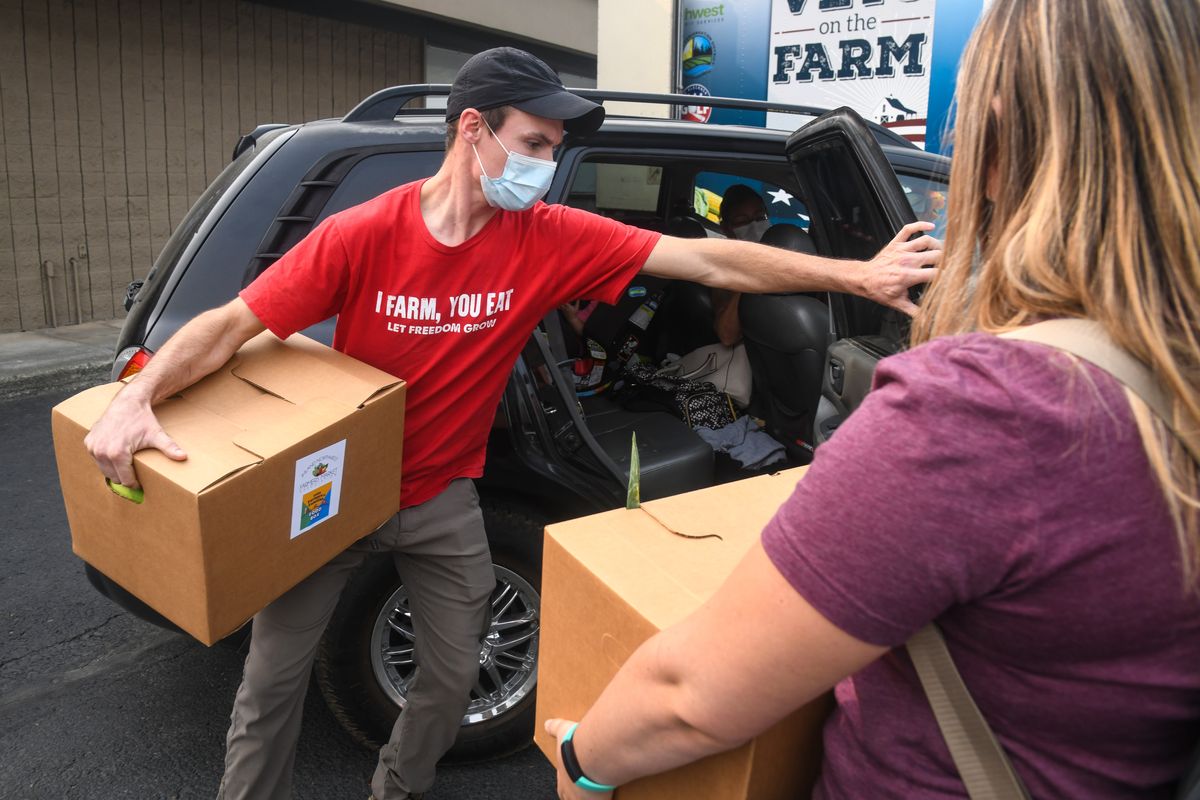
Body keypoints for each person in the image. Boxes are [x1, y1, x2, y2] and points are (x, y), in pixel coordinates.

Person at [82, 47, 939, 800]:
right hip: (337, 498)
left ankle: (398, 790)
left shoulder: (548, 236)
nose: (544, 163)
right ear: (472, 133)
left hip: (444, 499)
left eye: (553, 149)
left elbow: (709, 256)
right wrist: (136, 396)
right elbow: (234, 323)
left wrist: (858, 277)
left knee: (452, 680)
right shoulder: (362, 235)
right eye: (533, 144)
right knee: (270, 687)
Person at [545, 1, 1200, 798]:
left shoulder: (984, 411)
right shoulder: (1164, 376)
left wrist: (581, 762)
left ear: (999, 140)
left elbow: (689, 697)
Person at [712, 184, 770, 346]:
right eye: (742, 221)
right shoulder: (724, 269)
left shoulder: (787, 250)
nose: (754, 226)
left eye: (760, 217)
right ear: (727, 229)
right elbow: (726, 335)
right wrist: (752, 273)